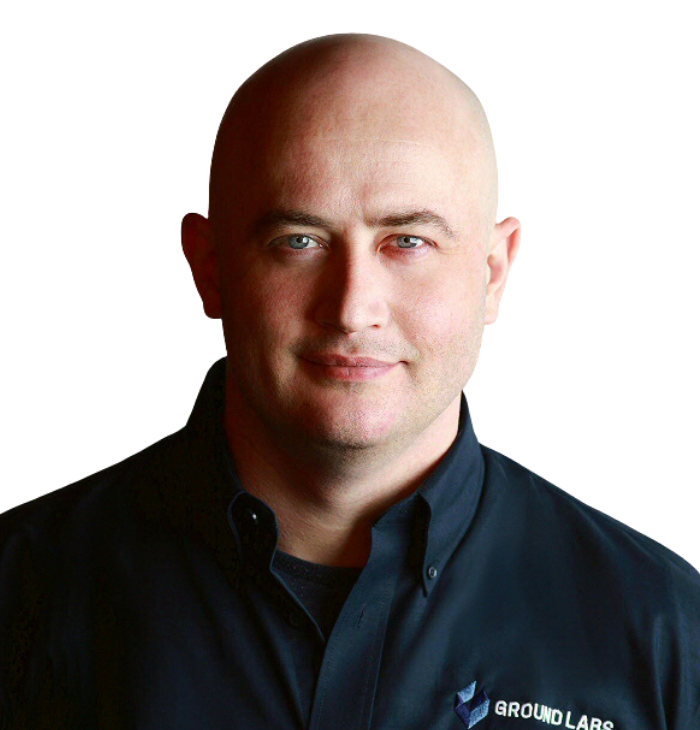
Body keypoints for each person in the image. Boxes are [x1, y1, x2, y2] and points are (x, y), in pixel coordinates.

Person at [1, 32, 698, 730]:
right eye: (298, 241)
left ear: (494, 272)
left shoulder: (668, 629)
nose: (351, 308)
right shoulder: (21, 593)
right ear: (209, 267)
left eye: (408, 241)